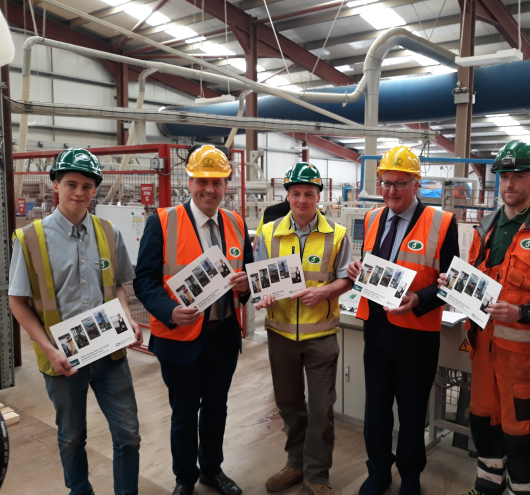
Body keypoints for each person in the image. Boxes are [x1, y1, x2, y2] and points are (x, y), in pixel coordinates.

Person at [438, 141, 530, 495]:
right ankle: (488, 487)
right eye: (504, 176)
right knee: (482, 421)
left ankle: (525, 491)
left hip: (521, 360)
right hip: (482, 350)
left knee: (519, 431)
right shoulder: (485, 230)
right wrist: (453, 285)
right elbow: (477, 283)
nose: (509, 183)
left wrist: (522, 312)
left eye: (519, 176)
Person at [8, 148, 143, 495]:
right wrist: (49, 350)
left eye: (87, 185)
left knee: (128, 436)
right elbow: (17, 302)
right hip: (63, 361)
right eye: (71, 184)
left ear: (95, 190)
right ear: (56, 185)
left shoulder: (108, 232)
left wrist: (127, 317)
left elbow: (117, 287)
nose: (79, 192)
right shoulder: (31, 238)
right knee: (71, 438)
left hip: (111, 357)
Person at [134, 145, 252, 495]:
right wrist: (169, 311)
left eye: (217, 182)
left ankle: (211, 470)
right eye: (203, 180)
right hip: (180, 338)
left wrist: (246, 286)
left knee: (217, 409)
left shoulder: (236, 222)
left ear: (226, 183)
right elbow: (144, 280)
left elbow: (244, 275)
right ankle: (184, 479)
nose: (210, 189)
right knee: (184, 414)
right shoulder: (163, 220)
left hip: (222, 335)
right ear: (190, 181)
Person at [346, 145, 459, 495]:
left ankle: (411, 476)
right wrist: (356, 272)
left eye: (399, 183)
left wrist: (418, 300)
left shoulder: (442, 223)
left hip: (416, 336)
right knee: (376, 407)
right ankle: (378, 471)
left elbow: (452, 284)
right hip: (376, 330)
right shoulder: (372, 218)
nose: (391, 191)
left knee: (411, 412)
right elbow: (373, 268)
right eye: (385, 183)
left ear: (416, 184)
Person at [254, 162, 352, 495]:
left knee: (322, 410)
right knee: (290, 406)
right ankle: (295, 464)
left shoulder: (336, 234)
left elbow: (346, 278)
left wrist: (325, 291)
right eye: (295, 193)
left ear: (319, 196)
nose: (301, 200)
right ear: (287, 195)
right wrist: (262, 296)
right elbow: (259, 280)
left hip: (321, 337)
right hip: (280, 335)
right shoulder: (268, 232)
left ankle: (317, 475)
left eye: (308, 194)